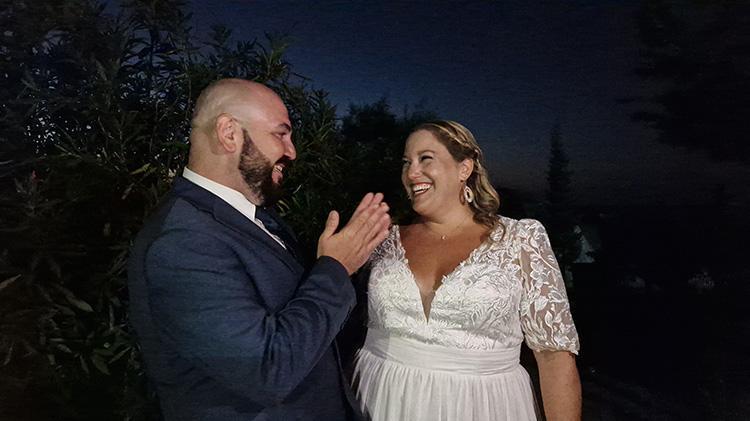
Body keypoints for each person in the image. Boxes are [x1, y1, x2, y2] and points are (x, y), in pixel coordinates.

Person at [128, 78, 390, 420]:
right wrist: (335, 268)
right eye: (281, 134)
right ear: (229, 133)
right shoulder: (183, 240)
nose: (292, 151)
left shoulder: (256, 218)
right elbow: (268, 369)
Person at [353, 120, 581, 420]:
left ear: (464, 168)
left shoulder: (521, 240)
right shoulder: (382, 240)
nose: (411, 173)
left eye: (425, 159)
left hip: (484, 407)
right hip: (382, 399)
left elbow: (554, 357)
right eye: (406, 162)